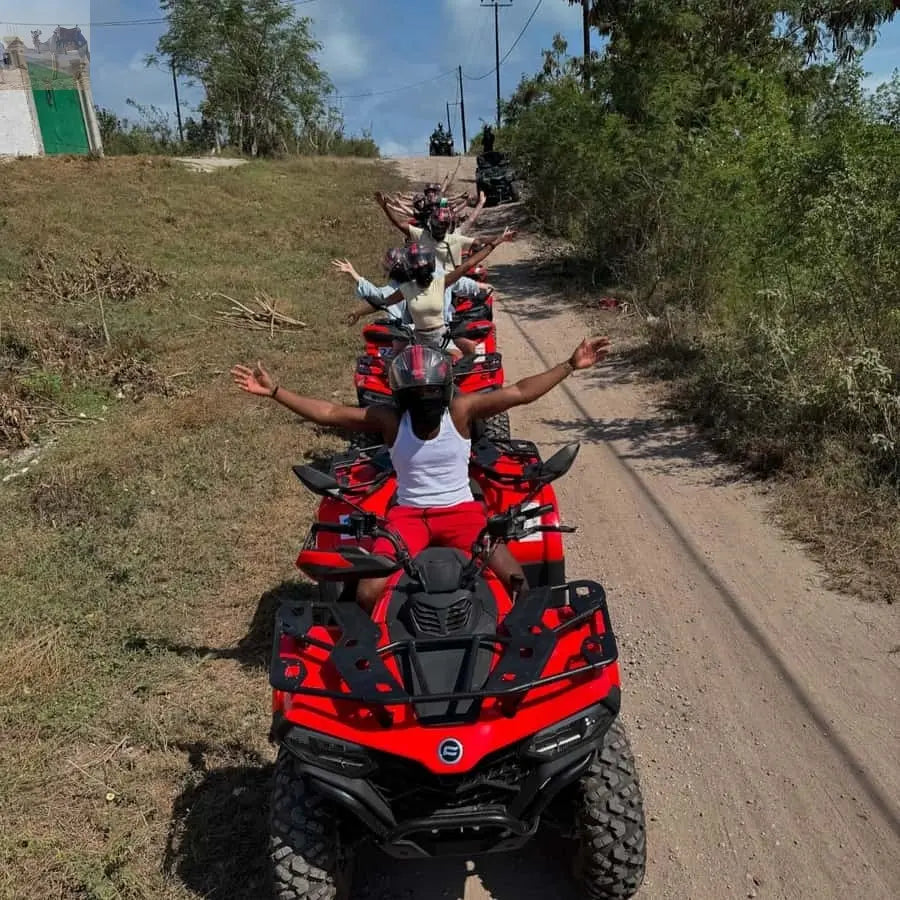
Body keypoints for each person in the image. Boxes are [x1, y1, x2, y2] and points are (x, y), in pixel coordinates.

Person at [231, 336, 611, 611]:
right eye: (416, 395)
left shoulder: (460, 411)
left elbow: (521, 392)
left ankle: (519, 646)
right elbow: (329, 413)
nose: (424, 401)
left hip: (462, 513)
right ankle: (375, 653)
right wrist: (276, 391)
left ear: (443, 389)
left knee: (517, 582)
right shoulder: (390, 420)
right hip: (408, 516)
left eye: (429, 392)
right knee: (367, 591)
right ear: (401, 395)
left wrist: (569, 364)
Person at [337, 227, 515, 350]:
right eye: (417, 268)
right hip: (417, 340)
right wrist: (358, 311)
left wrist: (499, 240)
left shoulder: (440, 281)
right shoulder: (407, 288)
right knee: (394, 368)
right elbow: (381, 302)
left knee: (469, 352)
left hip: (443, 336)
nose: (421, 271)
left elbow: (470, 263)